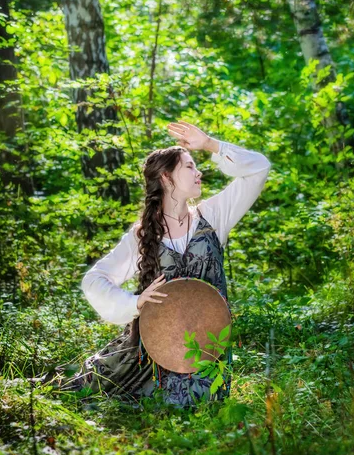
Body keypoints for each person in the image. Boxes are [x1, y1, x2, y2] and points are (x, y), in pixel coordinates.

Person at [50, 120, 271, 407]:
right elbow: (94, 279)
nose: (198, 171)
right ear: (167, 178)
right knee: (77, 389)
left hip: (207, 351)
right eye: (189, 166)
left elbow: (259, 168)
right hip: (154, 349)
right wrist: (135, 303)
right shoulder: (142, 234)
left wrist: (209, 144)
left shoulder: (214, 216)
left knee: (196, 408)